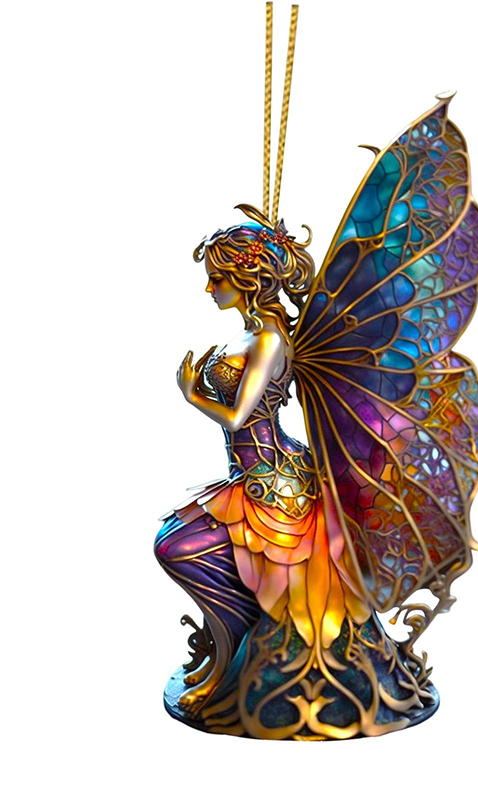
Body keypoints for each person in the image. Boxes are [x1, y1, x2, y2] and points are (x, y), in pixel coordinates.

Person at [155, 205, 437, 740]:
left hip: (275, 483)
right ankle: (232, 654)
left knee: (179, 549)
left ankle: (248, 663)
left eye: (218, 278)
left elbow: (238, 415)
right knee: (178, 547)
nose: (210, 289)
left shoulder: (269, 340)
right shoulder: (250, 335)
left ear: (247, 280)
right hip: (249, 478)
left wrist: (192, 394)